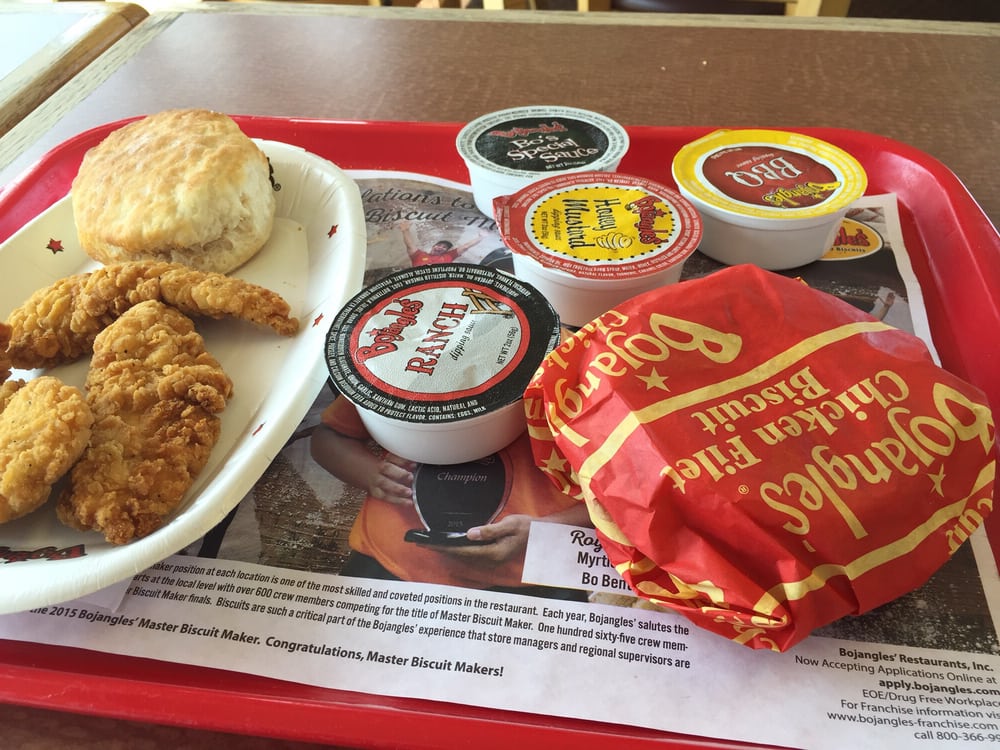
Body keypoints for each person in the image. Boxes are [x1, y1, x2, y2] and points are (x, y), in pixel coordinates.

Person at [310, 395, 592, 597]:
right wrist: (371, 473)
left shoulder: (593, 370)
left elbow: (616, 503)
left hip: (531, 579)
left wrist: (545, 532)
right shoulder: (407, 362)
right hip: (392, 562)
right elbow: (329, 437)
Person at [398, 219, 489, 266]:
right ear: (433, 246)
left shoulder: (449, 256)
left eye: (444, 247)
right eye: (439, 245)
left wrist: (481, 237)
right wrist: (405, 230)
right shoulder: (419, 255)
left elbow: (466, 246)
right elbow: (410, 245)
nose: (441, 247)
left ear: (446, 251)